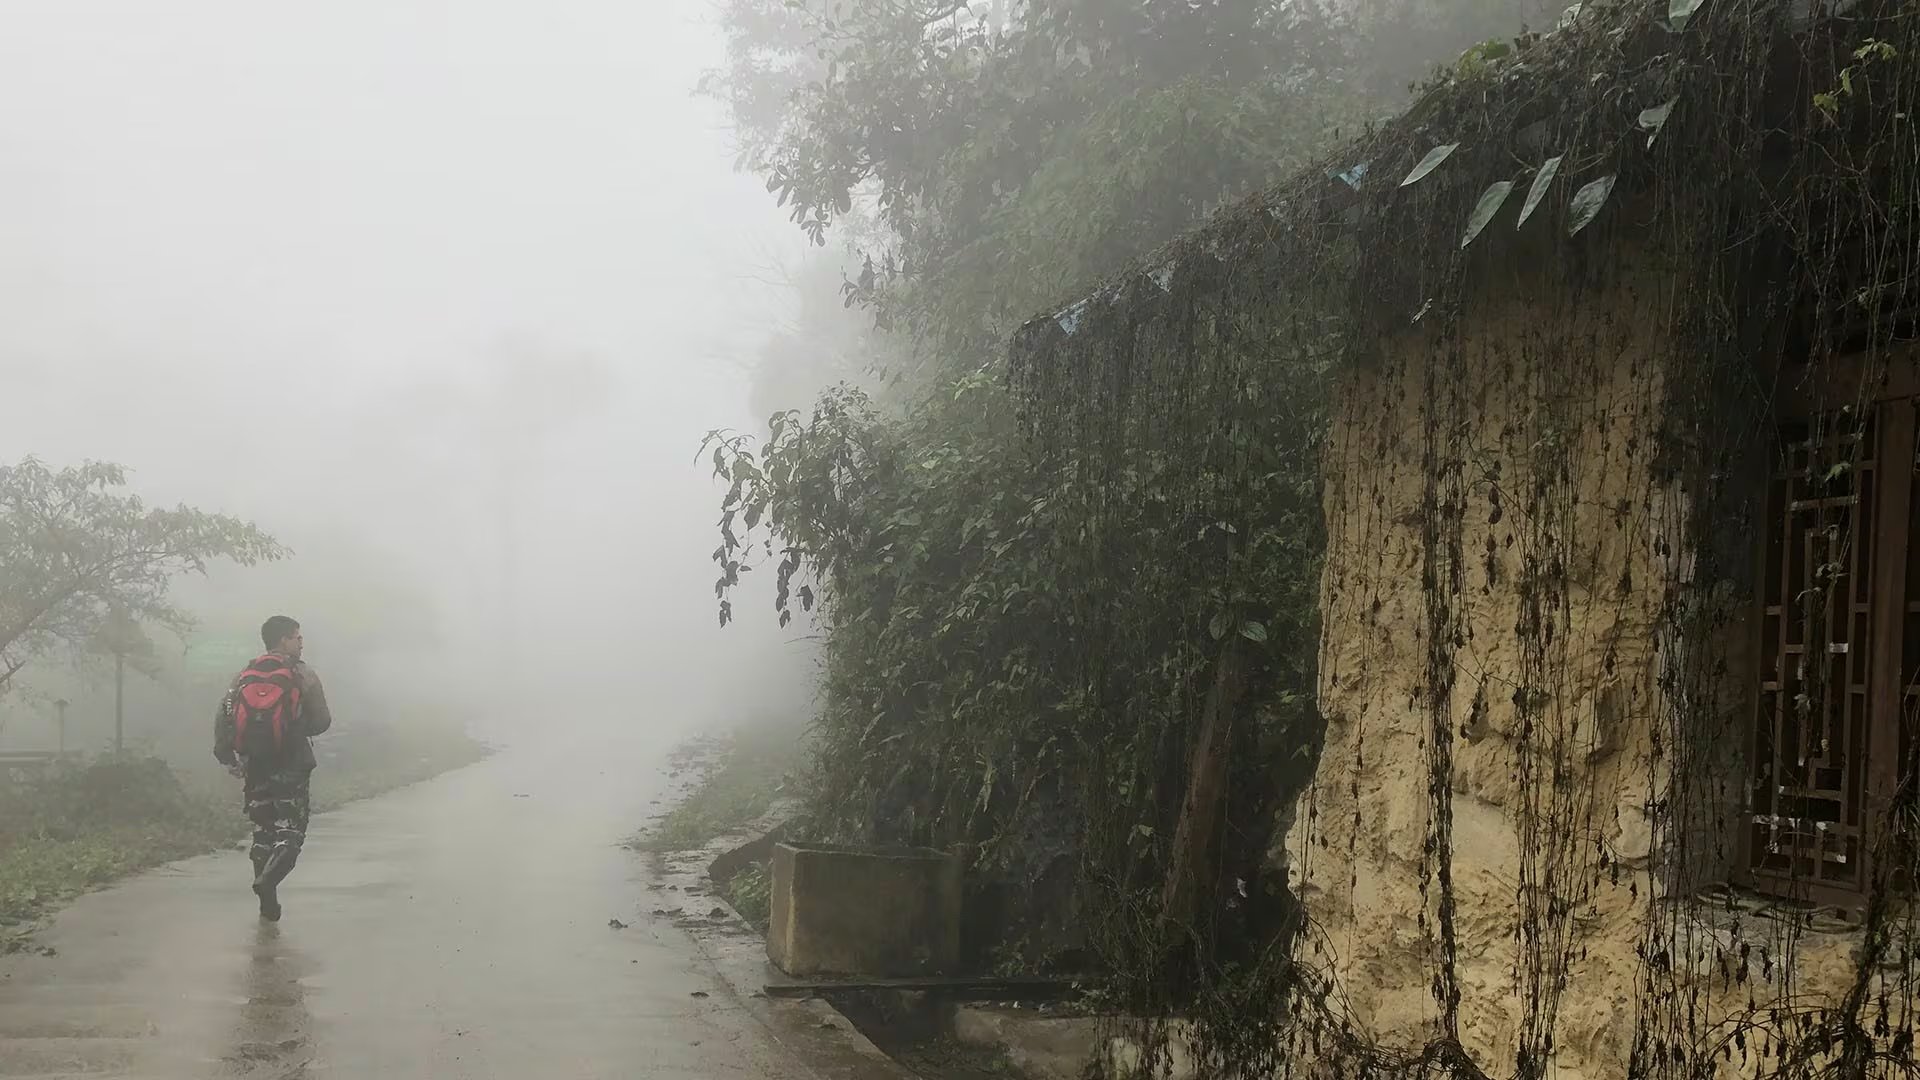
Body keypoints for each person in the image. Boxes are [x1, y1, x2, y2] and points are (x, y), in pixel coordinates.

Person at [213, 615, 333, 921]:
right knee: (290, 830)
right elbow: (322, 721)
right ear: (283, 640)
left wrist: (228, 756)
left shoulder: (244, 674)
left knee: (262, 831)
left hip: (255, 763)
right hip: (292, 762)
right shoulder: (302, 674)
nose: (301, 643)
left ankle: (267, 902)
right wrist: (293, 728)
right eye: (297, 637)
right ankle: (268, 882)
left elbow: (225, 714)